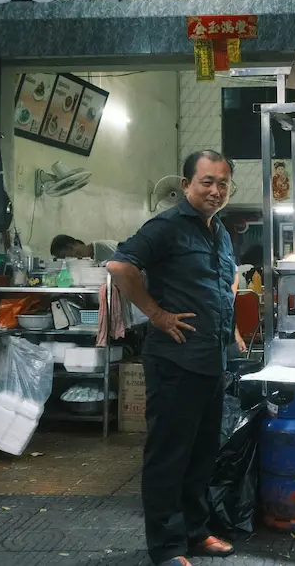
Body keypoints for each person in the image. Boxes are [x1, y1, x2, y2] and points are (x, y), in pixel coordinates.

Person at [107, 150, 241, 566]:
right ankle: (166, 547)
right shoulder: (166, 227)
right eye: (207, 182)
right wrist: (157, 314)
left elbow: (227, 282)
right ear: (186, 185)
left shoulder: (219, 231)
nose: (215, 190)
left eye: (222, 183)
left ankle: (195, 532)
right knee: (169, 456)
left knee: (201, 455)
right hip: (175, 361)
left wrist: (231, 328)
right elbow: (120, 266)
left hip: (211, 359)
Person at [50, 235, 119, 263]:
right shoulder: (84, 264)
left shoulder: (106, 246)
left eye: (67, 255)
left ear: (70, 246)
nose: (71, 258)